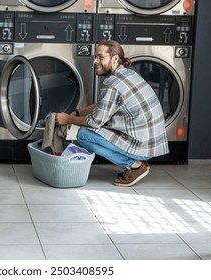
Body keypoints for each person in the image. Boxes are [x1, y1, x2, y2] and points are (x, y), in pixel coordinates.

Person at [56, 40, 169, 187]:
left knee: (83, 135)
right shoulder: (127, 74)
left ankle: (135, 165)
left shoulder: (113, 84)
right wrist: (77, 112)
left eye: (100, 57)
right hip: (152, 143)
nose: (95, 61)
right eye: (95, 57)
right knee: (94, 129)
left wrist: (68, 119)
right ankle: (136, 161)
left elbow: (94, 122)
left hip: (143, 146)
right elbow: (103, 105)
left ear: (115, 59)